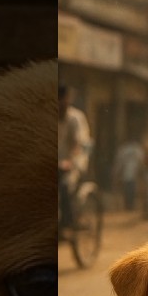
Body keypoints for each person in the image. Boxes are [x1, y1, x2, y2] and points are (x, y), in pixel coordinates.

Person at [59, 84, 92, 228]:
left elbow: (79, 145)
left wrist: (69, 161)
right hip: (58, 162)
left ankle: (69, 221)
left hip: (75, 162)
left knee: (65, 185)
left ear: (67, 99)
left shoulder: (76, 118)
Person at [113, 132, 144, 213]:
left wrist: (117, 173)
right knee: (130, 189)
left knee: (128, 189)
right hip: (132, 173)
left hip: (127, 173)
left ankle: (129, 206)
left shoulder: (123, 149)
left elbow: (119, 162)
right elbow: (141, 161)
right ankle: (130, 206)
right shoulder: (137, 149)